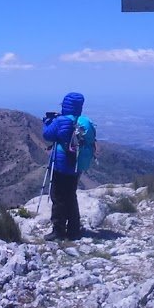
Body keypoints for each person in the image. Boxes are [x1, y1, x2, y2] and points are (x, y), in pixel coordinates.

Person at [42, 92, 96, 241]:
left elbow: (47, 135)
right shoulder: (83, 122)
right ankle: (74, 229)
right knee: (71, 195)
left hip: (61, 165)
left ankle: (58, 230)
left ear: (65, 105)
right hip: (77, 165)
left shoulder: (61, 121)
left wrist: (47, 122)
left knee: (58, 197)